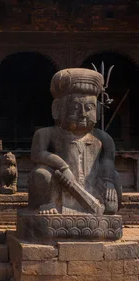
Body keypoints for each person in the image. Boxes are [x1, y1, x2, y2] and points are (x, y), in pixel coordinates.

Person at [28, 68, 121, 215]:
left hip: (93, 186)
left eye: (89, 108)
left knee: (111, 201)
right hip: (60, 184)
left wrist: (108, 181)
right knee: (41, 174)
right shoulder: (46, 133)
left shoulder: (103, 138)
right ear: (57, 109)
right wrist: (63, 167)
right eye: (75, 107)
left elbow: (107, 161)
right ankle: (50, 204)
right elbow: (38, 154)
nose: (83, 114)